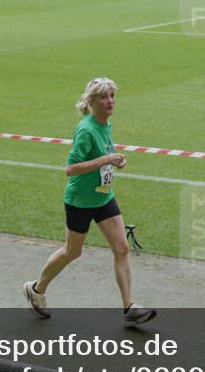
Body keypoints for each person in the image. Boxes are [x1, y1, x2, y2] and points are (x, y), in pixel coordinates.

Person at [22, 77, 155, 328]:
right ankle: (36, 290)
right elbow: (71, 169)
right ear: (91, 102)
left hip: (103, 197)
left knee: (121, 248)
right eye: (104, 97)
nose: (110, 101)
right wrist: (106, 159)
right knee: (72, 251)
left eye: (112, 96)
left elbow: (105, 155)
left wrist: (116, 160)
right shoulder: (86, 129)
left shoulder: (105, 124)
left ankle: (130, 308)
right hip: (80, 201)